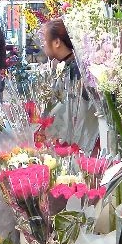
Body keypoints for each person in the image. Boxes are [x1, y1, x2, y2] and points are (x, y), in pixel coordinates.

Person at [41, 18, 99, 154]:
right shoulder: (70, 65)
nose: (43, 44)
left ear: (57, 42)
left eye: (45, 40)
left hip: (81, 146)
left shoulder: (77, 71)